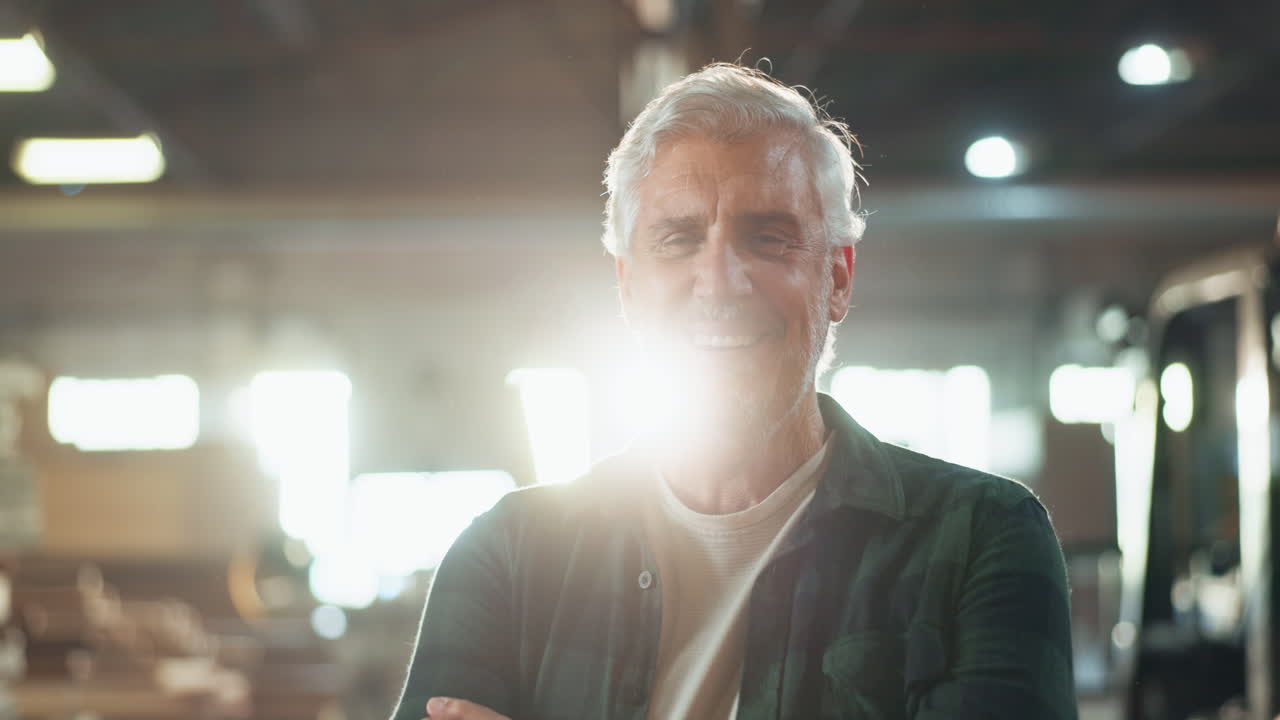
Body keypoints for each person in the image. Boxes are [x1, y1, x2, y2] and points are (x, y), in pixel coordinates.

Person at [392, 63, 1076, 720]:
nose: (720, 283)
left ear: (838, 278)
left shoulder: (980, 540)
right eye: (677, 240)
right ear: (628, 287)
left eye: (768, 238)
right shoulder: (509, 556)